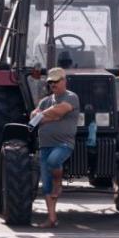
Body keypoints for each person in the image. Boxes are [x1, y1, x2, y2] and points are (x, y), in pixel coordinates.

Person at [30, 67, 79, 229]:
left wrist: (43, 116)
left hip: (63, 143)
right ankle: (51, 218)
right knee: (46, 184)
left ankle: (59, 181)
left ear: (64, 81)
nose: (53, 84)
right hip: (45, 145)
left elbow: (61, 110)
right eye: (50, 82)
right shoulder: (45, 101)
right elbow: (33, 117)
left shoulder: (71, 97)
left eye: (56, 81)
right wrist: (49, 115)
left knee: (54, 161)